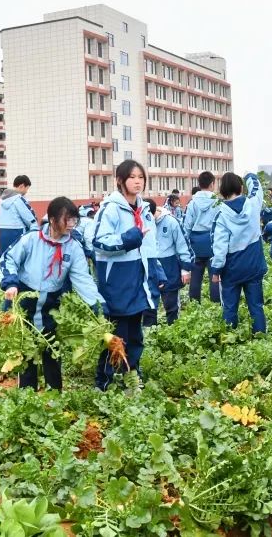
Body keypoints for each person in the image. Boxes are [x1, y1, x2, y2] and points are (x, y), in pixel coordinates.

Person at [0, 197, 105, 390]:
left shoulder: (73, 247)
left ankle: (54, 396)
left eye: (74, 220)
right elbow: (8, 260)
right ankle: (26, 395)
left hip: (52, 305)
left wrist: (98, 306)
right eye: (67, 220)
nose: (71, 225)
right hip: (26, 301)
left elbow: (83, 279)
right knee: (26, 350)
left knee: (52, 350)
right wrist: (10, 284)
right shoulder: (31, 239)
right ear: (52, 220)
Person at [90, 159, 161, 390]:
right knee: (115, 338)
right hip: (117, 281)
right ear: (120, 180)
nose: (137, 181)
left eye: (141, 177)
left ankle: (131, 377)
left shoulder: (143, 209)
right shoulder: (110, 208)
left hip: (138, 280)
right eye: (132, 177)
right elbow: (98, 242)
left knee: (135, 336)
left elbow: (150, 245)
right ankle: (105, 383)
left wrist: (156, 271)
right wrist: (129, 239)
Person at [210, 172, 267, 333]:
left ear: (222, 191)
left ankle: (230, 338)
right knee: (256, 305)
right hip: (254, 264)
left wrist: (216, 270)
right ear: (241, 188)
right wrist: (250, 176)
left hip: (232, 268)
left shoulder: (221, 214)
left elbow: (220, 246)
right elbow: (257, 188)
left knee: (229, 307)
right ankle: (260, 337)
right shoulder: (253, 203)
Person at [149, 197, 193, 325]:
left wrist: (185, 269)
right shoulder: (141, 222)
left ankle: (173, 330)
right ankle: (151, 335)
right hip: (150, 267)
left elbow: (183, 245)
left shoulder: (171, 222)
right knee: (149, 306)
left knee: (171, 305)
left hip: (169, 266)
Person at [183, 171, 222, 303]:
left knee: (195, 276)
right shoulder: (217, 202)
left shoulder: (192, 203)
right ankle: (215, 304)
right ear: (212, 184)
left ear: (199, 184)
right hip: (212, 240)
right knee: (214, 275)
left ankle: (194, 304)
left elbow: (187, 226)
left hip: (195, 241)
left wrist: (185, 246)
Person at [0, 175, 39, 254]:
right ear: (22, 186)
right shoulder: (18, 199)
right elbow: (30, 219)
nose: (26, 192)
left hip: (3, 234)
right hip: (18, 233)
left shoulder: (1, 201)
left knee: (6, 259)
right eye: (27, 188)